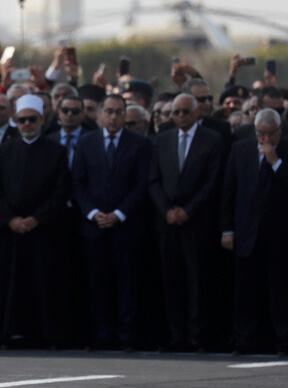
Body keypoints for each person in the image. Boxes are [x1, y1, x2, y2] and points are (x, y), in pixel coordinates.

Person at [71, 94, 153, 351]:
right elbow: (78, 183)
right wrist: (93, 212)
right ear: (100, 114)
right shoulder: (86, 142)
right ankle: (102, 333)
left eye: (118, 112)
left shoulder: (140, 144)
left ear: (125, 115)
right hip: (94, 226)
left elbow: (142, 185)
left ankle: (127, 335)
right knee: (98, 282)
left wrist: (119, 214)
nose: (113, 117)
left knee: (127, 283)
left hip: (126, 226)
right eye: (109, 111)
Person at [0, 94, 70, 349]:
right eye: (22, 120)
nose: (27, 124)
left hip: (43, 231)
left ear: (42, 119)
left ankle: (46, 334)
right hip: (12, 231)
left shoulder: (56, 151)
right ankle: (12, 333)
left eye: (31, 120)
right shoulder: (5, 151)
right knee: (13, 284)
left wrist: (37, 218)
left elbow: (61, 191)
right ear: (16, 121)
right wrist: (10, 219)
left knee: (44, 283)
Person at [148, 93, 223, 352]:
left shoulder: (212, 139)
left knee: (197, 281)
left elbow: (212, 181)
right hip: (167, 223)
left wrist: (188, 211)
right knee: (171, 280)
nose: (180, 116)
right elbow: (153, 180)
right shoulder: (162, 139)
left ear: (196, 112)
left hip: (197, 222)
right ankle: (176, 335)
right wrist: (167, 211)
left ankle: (197, 336)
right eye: (176, 112)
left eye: (185, 111)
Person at [221, 108, 288, 356]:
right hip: (246, 230)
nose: (266, 139)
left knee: (279, 290)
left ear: (280, 131)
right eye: (261, 134)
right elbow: (229, 190)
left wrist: (275, 162)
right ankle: (244, 340)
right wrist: (227, 229)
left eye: (271, 134)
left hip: (279, 234)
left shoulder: (284, 151)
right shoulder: (241, 149)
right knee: (246, 290)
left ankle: (283, 340)